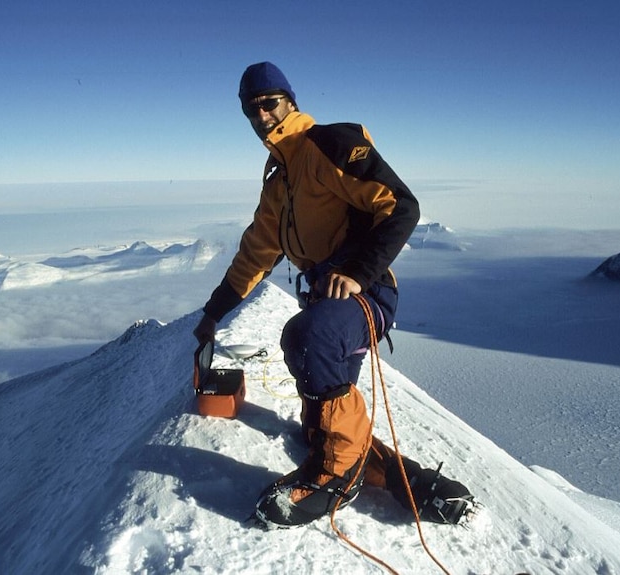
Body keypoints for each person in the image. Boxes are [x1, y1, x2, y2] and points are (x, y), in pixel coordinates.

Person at [194, 62, 472, 528]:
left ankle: (335, 477)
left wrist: (359, 272)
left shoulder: (327, 145)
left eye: (269, 102)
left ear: (290, 101)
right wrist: (213, 313)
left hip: (368, 293)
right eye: (250, 108)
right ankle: (407, 480)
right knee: (323, 421)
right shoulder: (279, 179)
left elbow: (402, 206)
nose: (260, 114)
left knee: (305, 340)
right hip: (328, 298)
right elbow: (256, 254)